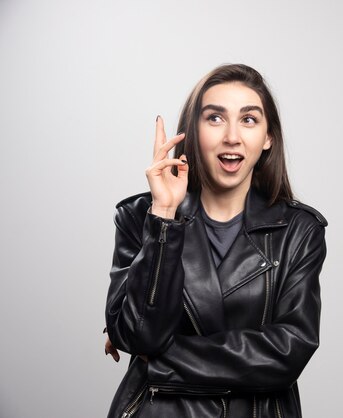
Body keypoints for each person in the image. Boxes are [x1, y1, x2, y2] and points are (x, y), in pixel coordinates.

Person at [103, 64, 327, 418]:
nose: (232, 137)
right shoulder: (140, 216)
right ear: (193, 132)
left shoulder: (299, 230)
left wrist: (161, 359)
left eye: (249, 120)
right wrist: (164, 214)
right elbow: (141, 335)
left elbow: (288, 351)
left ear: (268, 137)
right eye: (215, 119)